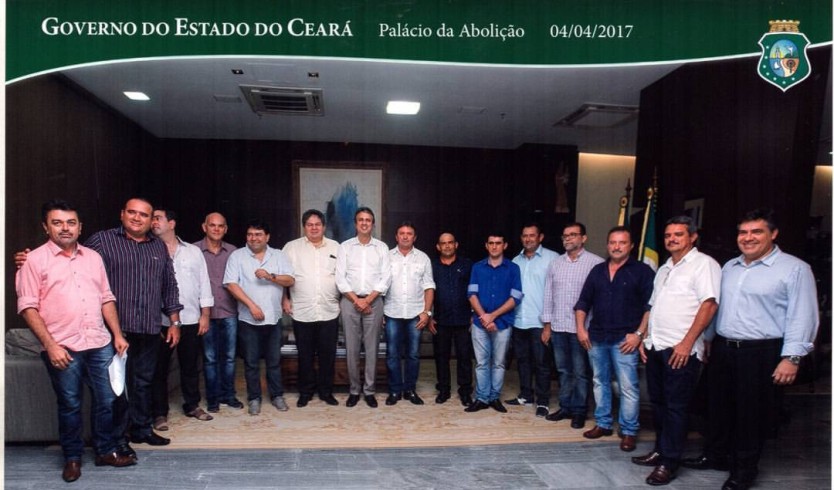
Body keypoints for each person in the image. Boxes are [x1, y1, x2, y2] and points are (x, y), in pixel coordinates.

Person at [681, 209, 818, 490]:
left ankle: (744, 470)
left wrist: (792, 358)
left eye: (756, 232)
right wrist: (708, 339)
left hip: (761, 352)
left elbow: (803, 315)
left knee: (750, 415)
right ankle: (716, 456)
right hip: (724, 348)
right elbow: (717, 308)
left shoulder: (795, 269)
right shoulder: (729, 267)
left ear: (773, 234)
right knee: (717, 407)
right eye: (743, 232)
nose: (748, 238)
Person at [15, 199, 136, 482]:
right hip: (63, 346)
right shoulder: (33, 261)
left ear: (80, 227)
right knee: (70, 404)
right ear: (46, 227)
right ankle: (72, 458)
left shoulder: (93, 258)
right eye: (57, 223)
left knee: (108, 399)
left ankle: (105, 451)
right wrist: (50, 345)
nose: (65, 228)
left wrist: (117, 334)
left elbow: (106, 298)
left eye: (71, 223)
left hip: (99, 342)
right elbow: (28, 307)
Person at [83, 198, 183, 457]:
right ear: (122, 214)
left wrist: (174, 322)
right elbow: (72, 261)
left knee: (143, 382)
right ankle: (119, 438)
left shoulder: (158, 246)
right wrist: (29, 259)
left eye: (144, 215)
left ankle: (141, 429)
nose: (137, 218)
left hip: (149, 327)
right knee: (117, 386)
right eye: (132, 212)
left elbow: (169, 285)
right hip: (114, 330)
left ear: (152, 220)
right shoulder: (102, 241)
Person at [631, 216, 720, 486]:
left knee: (675, 407)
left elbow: (709, 305)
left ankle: (669, 463)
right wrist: (644, 336)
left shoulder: (704, 264)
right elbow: (652, 306)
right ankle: (660, 450)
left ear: (692, 237)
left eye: (678, 234)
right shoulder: (665, 268)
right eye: (668, 235)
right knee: (658, 404)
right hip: (656, 346)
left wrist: (687, 343)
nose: (671, 239)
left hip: (681, 350)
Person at [574, 226, 654, 452]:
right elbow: (583, 302)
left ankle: (629, 431)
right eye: (612, 242)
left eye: (622, 242)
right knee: (600, 382)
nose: (616, 247)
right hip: (597, 337)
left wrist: (639, 334)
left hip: (624, 341)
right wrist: (581, 329)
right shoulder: (597, 271)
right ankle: (603, 423)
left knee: (628, 387)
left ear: (631, 245)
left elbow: (650, 307)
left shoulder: (642, 272)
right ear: (607, 245)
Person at [150, 209, 215, 432]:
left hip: (190, 318)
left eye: (157, 218)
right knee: (159, 368)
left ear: (171, 223)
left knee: (190, 365)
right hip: (160, 321)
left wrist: (205, 315)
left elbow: (204, 283)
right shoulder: (149, 249)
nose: (153, 222)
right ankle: (159, 413)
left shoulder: (193, 251)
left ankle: (192, 405)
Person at [223, 220, 295, 416]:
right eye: (250, 234)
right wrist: (252, 306)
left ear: (267, 237)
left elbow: (290, 279)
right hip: (248, 319)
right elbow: (231, 284)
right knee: (251, 363)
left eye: (258, 234)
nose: (253, 238)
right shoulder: (237, 256)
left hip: (273, 318)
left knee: (274, 362)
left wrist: (270, 276)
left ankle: (277, 395)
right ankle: (254, 398)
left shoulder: (278, 255)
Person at [541, 222, 604, 429]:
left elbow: (599, 299)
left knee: (580, 372)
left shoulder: (596, 263)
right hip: (558, 327)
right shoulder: (556, 264)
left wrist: (591, 328)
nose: (568, 238)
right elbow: (548, 295)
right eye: (565, 235)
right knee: (563, 370)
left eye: (573, 235)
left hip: (582, 329)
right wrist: (547, 325)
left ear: (583, 238)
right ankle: (565, 407)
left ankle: (579, 411)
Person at [282, 209, 341, 407]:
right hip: (302, 311)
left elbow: (343, 277)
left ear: (324, 226)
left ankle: (326, 392)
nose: (314, 228)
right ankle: (305, 392)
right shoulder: (291, 248)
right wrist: (284, 298)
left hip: (329, 310)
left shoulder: (336, 247)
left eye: (317, 224)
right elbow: (283, 276)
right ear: (304, 227)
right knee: (305, 356)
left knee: (327, 356)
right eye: (310, 224)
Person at [335, 207, 391, 408]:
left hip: (374, 302)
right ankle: (354, 390)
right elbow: (340, 278)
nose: (364, 223)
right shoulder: (345, 247)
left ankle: (369, 391)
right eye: (361, 220)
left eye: (368, 220)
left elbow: (386, 278)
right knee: (351, 349)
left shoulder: (381, 248)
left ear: (373, 224)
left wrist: (367, 300)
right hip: (350, 301)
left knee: (371, 348)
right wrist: (357, 300)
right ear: (355, 223)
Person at [464, 233, 523, 414]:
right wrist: (484, 316)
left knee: (498, 363)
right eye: (491, 243)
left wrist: (493, 316)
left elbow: (516, 297)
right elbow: (471, 294)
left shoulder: (513, 268)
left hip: (503, 323)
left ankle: (494, 397)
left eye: (498, 243)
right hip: (480, 322)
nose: (495, 246)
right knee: (481, 363)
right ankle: (482, 398)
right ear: (486, 245)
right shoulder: (477, 267)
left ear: (505, 245)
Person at [506, 223, 559, 417]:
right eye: (525, 236)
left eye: (532, 235)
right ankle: (526, 395)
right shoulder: (515, 261)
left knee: (542, 363)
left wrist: (548, 325)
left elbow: (556, 292)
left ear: (540, 237)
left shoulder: (553, 259)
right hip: (519, 320)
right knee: (522, 361)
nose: (528, 239)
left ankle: (543, 401)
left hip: (540, 321)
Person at [194, 212, 244, 412]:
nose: (216, 229)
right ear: (204, 227)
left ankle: (229, 395)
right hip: (204, 314)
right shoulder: (194, 251)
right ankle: (213, 399)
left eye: (220, 226)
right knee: (210, 358)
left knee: (230, 358)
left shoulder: (233, 252)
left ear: (226, 229)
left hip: (229, 312)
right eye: (212, 225)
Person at [384, 222, 435, 406]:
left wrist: (427, 312)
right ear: (396, 237)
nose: (405, 236)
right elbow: (380, 286)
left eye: (409, 233)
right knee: (392, 354)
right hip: (392, 312)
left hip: (416, 314)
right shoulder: (387, 257)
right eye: (402, 233)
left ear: (415, 237)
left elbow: (429, 287)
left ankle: (410, 390)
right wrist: (380, 312)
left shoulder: (423, 258)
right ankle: (395, 390)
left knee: (413, 354)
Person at [429, 232, 474, 406]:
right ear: (438, 247)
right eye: (443, 243)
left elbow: (474, 290)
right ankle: (444, 389)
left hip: (463, 319)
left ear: (456, 245)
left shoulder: (467, 265)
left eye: (450, 242)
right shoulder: (432, 266)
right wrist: (429, 315)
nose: (447, 246)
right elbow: (426, 291)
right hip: (440, 320)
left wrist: (473, 314)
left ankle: (465, 391)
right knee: (441, 357)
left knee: (464, 357)